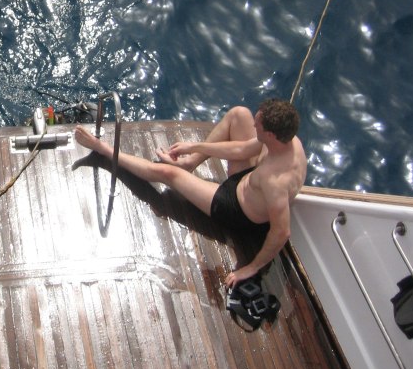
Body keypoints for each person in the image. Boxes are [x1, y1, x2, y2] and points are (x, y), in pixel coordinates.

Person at [74, 98, 306, 287]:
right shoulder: (287, 141)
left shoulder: (276, 181)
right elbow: (243, 149)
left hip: (235, 209)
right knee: (239, 114)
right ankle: (189, 164)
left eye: (258, 126)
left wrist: (251, 268)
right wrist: (193, 148)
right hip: (248, 182)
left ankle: (104, 149)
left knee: (168, 174)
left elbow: (281, 232)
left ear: (271, 135)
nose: (254, 126)